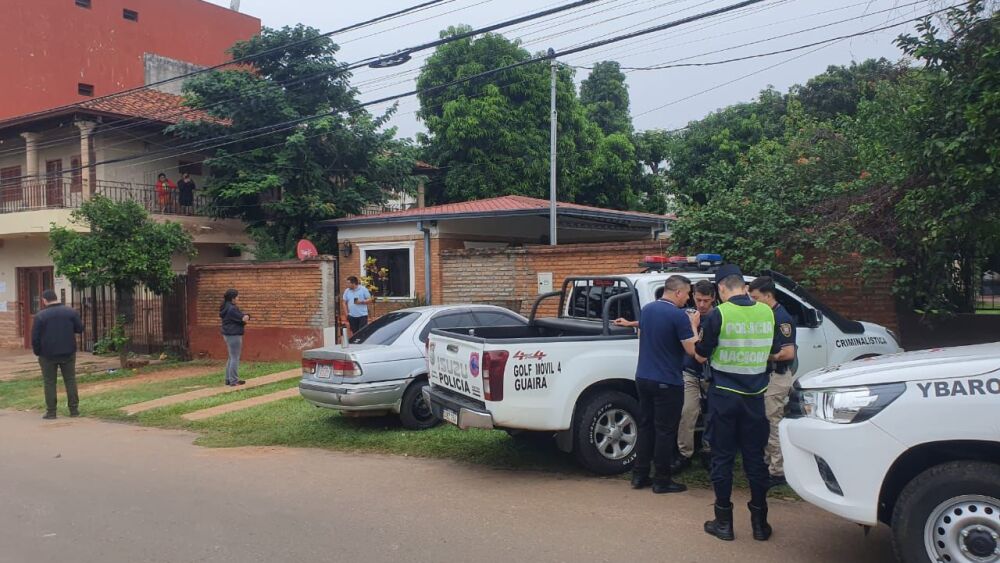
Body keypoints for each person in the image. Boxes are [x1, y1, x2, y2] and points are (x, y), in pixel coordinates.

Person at [694, 264, 782, 542]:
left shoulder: (719, 314)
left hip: (724, 396)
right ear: (743, 286)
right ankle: (759, 523)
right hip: (756, 397)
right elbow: (775, 350)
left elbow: (701, 354)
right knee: (755, 459)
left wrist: (696, 331)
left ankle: (724, 523)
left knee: (722, 457)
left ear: (721, 289)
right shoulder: (767, 311)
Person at [615, 275, 699, 494]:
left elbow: (643, 328)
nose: (688, 298)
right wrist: (694, 325)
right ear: (678, 292)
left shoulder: (649, 309)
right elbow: (693, 350)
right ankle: (662, 479)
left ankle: (639, 474)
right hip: (667, 381)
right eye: (688, 293)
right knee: (665, 431)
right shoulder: (679, 316)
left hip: (643, 377)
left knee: (646, 426)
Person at [748, 276, 797, 489]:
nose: (752, 301)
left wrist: (762, 355)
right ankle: (769, 464)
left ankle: (778, 472)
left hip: (777, 376)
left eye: (755, 297)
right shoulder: (766, 315)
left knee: (772, 421)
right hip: (767, 376)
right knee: (765, 422)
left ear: (768, 296)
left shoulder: (781, 317)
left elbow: (788, 353)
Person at [673, 279, 717, 473]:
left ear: (713, 299)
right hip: (690, 371)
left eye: (706, 300)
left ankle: (709, 451)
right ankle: (685, 454)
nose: (702, 304)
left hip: (713, 372)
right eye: (698, 299)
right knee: (687, 412)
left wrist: (694, 326)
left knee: (712, 414)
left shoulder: (719, 316)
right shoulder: (686, 314)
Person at [31, 289, 84, 419]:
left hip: (47, 354)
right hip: (68, 352)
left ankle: (51, 412)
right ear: (56, 298)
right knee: (70, 380)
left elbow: (35, 337)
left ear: (44, 300)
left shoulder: (40, 316)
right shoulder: (70, 311)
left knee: (49, 382)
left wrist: (38, 352)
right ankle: (74, 410)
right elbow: (80, 328)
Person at [219, 288, 248, 386]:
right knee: (235, 357)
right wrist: (247, 316)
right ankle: (233, 380)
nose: (238, 298)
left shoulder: (225, 307)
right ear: (233, 298)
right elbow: (242, 318)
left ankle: (228, 379)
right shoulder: (232, 308)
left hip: (227, 334)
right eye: (237, 296)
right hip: (234, 334)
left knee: (231, 357)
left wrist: (244, 316)